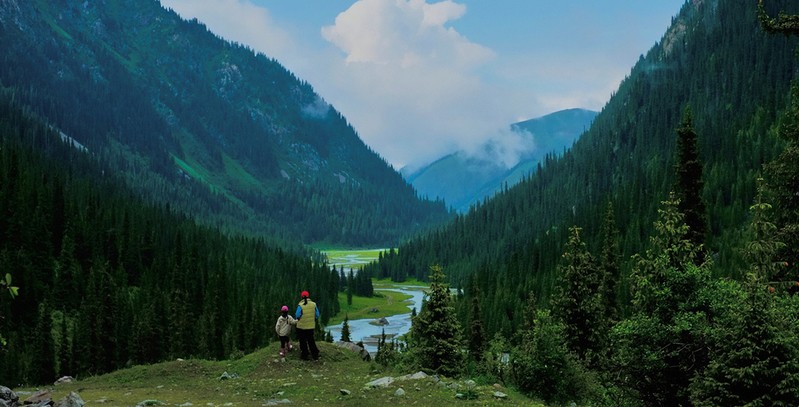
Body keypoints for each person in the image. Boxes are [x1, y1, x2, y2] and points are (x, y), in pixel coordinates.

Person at [295, 290, 320, 360]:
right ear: (308, 296)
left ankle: (304, 355)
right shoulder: (314, 304)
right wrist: (313, 319)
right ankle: (315, 354)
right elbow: (317, 314)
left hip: (301, 327)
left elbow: (297, 315)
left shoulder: (300, 305)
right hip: (310, 326)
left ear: (302, 297)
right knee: (311, 340)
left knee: (302, 341)